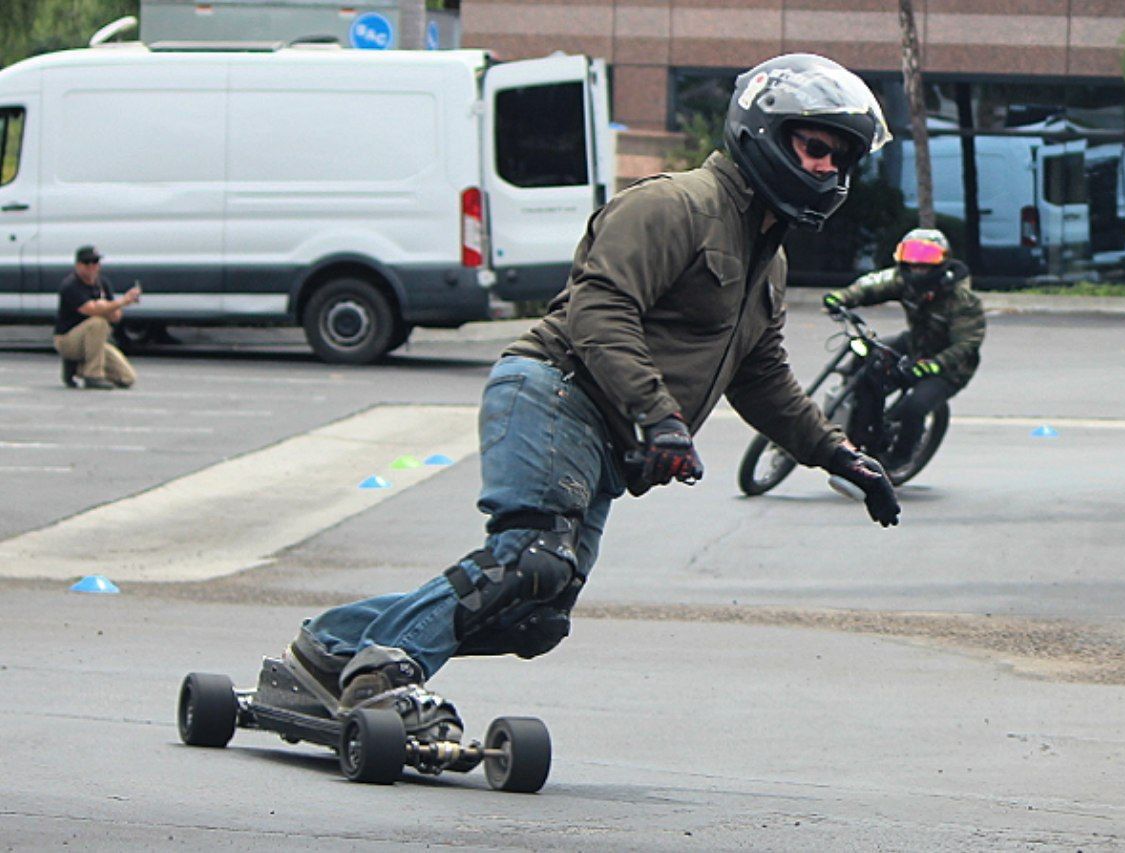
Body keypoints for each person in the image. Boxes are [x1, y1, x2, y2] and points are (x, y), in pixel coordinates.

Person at [282, 54, 902, 710]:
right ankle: (385, 672)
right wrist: (660, 415)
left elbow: (763, 380)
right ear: (763, 135)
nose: (828, 169)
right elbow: (598, 311)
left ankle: (331, 648)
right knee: (531, 559)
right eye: (814, 148)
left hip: (607, 438)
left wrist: (839, 455)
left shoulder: (766, 261)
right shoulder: (674, 206)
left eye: (840, 157)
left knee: (537, 611)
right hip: (554, 391)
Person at [822, 229, 986, 469]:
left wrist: (931, 366)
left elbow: (966, 345)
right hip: (914, 344)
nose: (917, 265)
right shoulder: (903, 280)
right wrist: (841, 298)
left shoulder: (962, 300)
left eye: (926, 258)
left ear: (942, 260)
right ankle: (861, 431)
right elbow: (872, 286)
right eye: (912, 257)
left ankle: (899, 458)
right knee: (867, 362)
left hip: (950, 367)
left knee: (914, 407)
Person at [53, 246, 140, 390]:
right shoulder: (71, 285)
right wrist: (123, 301)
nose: (92, 267)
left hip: (94, 342)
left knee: (127, 378)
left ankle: (76, 367)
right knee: (98, 322)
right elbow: (90, 310)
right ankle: (92, 375)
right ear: (78, 265)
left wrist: (106, 306)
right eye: (87, 263)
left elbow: (116, 317)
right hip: (67, 339)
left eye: (95, 262)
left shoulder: (102, 284)